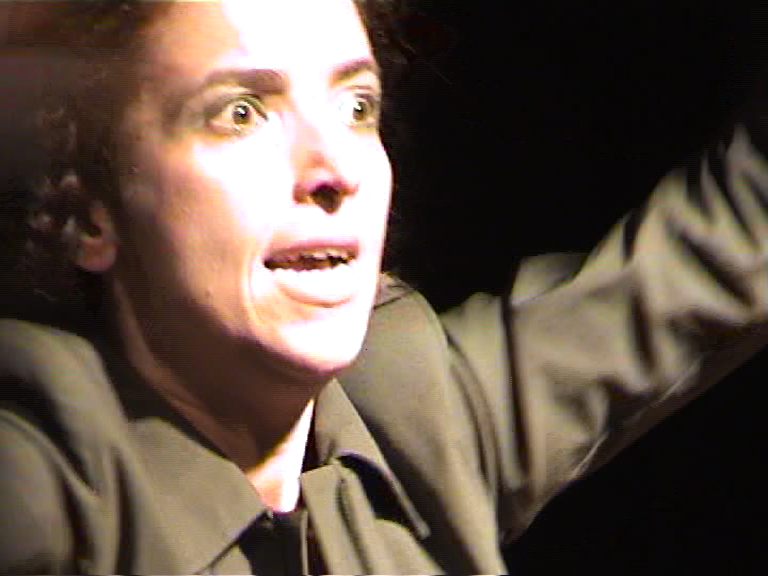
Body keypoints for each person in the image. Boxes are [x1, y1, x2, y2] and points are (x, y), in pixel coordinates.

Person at [1, 0, 766, 573]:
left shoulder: (409, 408)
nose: (335, 167)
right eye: (241, 112)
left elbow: (721, 246)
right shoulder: (47, 465)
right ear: (89, 212)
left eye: (356, 106)